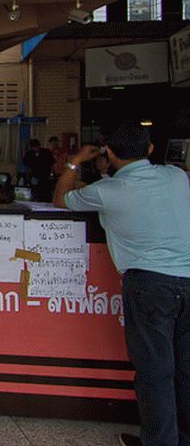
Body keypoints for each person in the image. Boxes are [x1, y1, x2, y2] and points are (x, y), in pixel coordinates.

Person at [53, 122, 190, 446]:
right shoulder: (176, 177)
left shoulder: (107, 192)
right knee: (186, 370)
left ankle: (159, 443)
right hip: (188, 281)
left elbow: (62, 198)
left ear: (108, 153)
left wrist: (74, 162)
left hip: (149, 287)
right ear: (151, 149)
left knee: (156, 373)